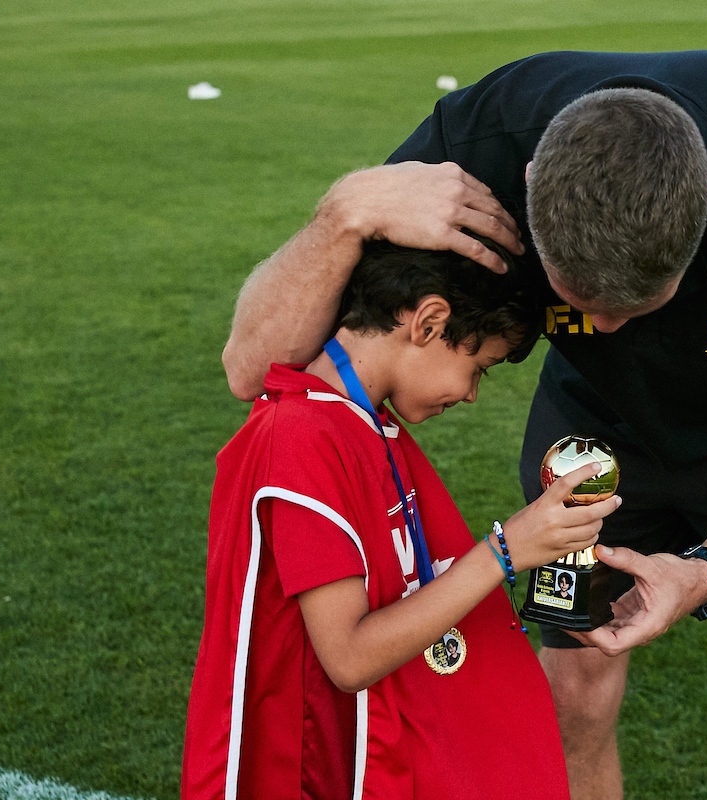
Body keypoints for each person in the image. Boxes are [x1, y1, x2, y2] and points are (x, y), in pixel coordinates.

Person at [221, 50, 707, 800]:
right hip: (594, 433)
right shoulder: (477, 149)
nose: (603, 327)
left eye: (635, 306)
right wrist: (344, 213)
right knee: (573, 690)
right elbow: (253, 371)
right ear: (531, 183)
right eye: (581, 300)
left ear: (706, 200)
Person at [183, 239, 620, 799]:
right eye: (478, 367)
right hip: (313, 769)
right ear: (429, 322)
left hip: (360, 749)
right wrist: (504, 551)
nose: (471, 395)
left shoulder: (361, 425)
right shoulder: (301, 438)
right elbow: (348, 657)